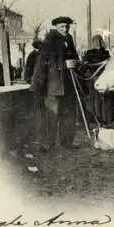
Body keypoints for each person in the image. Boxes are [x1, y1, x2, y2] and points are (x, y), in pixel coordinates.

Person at [32, 16, 79, 151]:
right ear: (56, 27)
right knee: (51, 114)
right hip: (53, 84)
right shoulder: (49, 41)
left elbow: (74, 57)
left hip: (68, 83)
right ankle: (47, 144)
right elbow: (42, 64)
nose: (65, 29)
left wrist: (74, 63)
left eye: (67, 27)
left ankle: (67, 142)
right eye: (62, 27)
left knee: (69, 114)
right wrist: (38, 84)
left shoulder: (69, 40)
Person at [80, 34, 114, 125]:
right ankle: (101, 119)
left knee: (103, 98)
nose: (98, 43)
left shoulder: (104, 53)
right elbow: (85, 65)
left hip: (102, 78)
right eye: (96, 41)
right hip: (96, 78)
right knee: (98, 98)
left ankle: (104, 119)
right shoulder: (91, 53)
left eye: (99, 41)